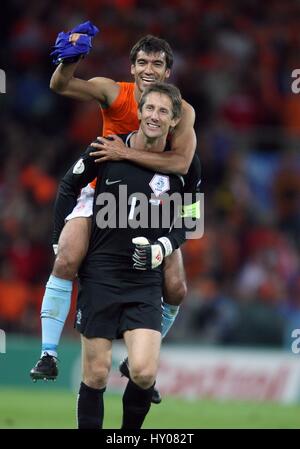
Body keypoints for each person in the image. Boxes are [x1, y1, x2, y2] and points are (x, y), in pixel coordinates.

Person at [30, 25, 197, 404]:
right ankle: (48, 352)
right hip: (103, 195)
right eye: (142, 62)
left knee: (177, 287)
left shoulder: (181, 110)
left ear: (168, 71)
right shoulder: (112, 92)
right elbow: (61, 86)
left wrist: (125, 153)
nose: (149, 69)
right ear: (132, 67)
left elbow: (183, 162)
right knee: (68, 255)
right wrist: (67, 62)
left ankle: (141, 361)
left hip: (153, 206)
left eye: (158, 63)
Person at [66, 82, 201, 428]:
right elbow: (69, 186)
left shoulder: (187, 168)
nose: (155, 116)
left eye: (163, 112)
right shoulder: (109, 149)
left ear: (174, 122)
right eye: (150, 109)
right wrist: (61, 238)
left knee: (143, 372)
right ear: (139, 112)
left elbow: (190, 224)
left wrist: (162, 247)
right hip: (100, 276)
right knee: (96, 374)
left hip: (144, 280)